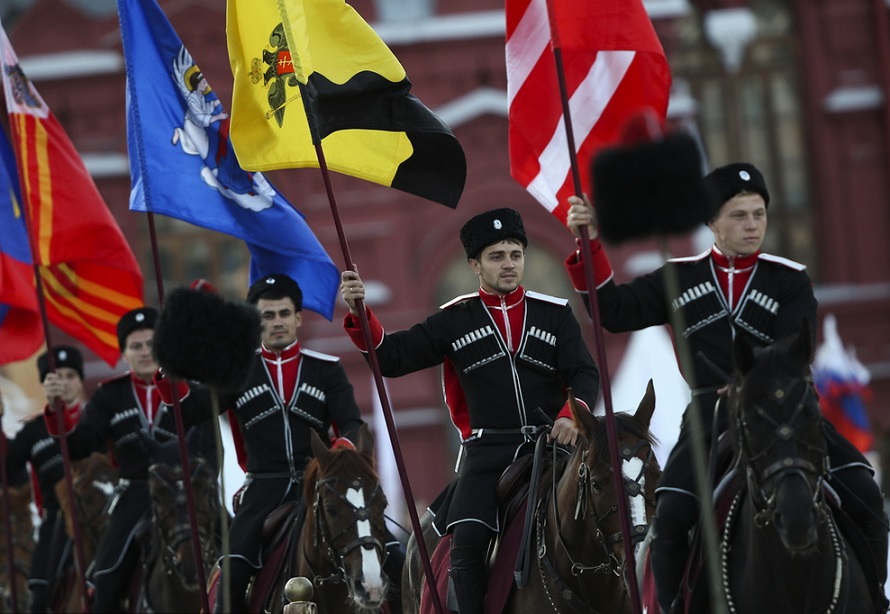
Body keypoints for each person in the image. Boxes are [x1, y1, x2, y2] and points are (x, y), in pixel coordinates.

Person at [564, 162, 888, 612]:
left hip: (786, 414)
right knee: (673, 517)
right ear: (712, 221)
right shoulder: (678, 278)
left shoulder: (789, 279)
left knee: (866, 494)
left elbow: (795, 349)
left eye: (759, 214)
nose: (752, 224)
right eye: (739, 215)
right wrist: (590, 244)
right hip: (709, 419)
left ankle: (876, 599)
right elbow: (613, 312)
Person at [340, 207, 601, 614]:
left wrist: (572, 413)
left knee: (611, 513)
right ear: (475, 264)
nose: (509, 264)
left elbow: (584, 373)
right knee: (469, 543)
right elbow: (391, 357)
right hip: (487, 456)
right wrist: (361, 312)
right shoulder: (453, 320)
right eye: (497, 256)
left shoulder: (556, 314)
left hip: (554, 449)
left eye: (515, 254)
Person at [213, 274, 406, 614]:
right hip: (264, 489)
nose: (277, 322)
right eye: (267, 316)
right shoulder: (235, 372)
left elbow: (351, 422)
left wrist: (341, 453)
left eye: (284, 314)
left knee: (398, 558)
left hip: (325, 484)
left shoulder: (325, 370)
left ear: (298, 318)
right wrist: (176, 373)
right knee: (232, 569)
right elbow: (196, 409)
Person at [43, 307, 216, 612]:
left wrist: (205, 485)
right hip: (135, 495)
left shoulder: (192, 390)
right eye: (136, 346)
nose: (145, 352)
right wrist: (58, 414)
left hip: (188, 493)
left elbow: (212, 448)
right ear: (124, 353)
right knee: (107, 574)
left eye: (152, 344)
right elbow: (80, 446)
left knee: (233, 551)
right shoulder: (110, 396)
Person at [6, 345, 87, 612]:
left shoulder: (97, 415)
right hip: (55, 522)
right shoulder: (32, 431)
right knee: (39, 593)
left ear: (80, 380)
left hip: (101, 513)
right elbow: (5, 469)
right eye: (55, 377)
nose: (63, 383)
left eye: (70, 376)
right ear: (44, 384)